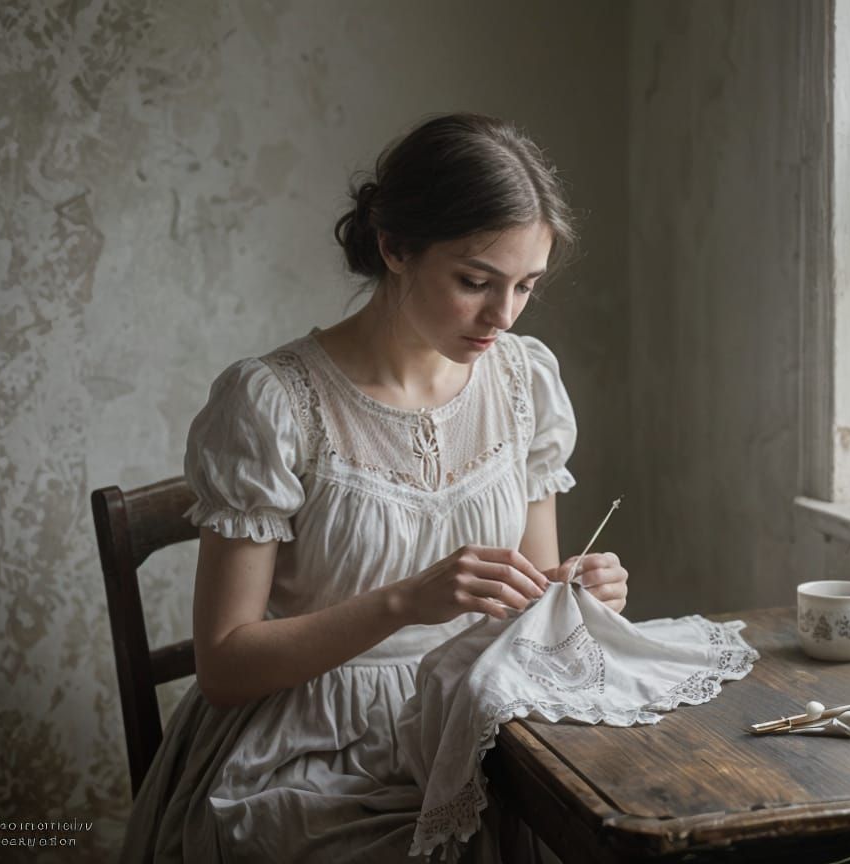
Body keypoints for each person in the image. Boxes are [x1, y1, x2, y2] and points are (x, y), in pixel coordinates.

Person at [121, 112, 629, 863]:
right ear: (394, 248)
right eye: (474, 282)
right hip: (305, 754)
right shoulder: (275, 404)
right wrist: (403, 603)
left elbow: (528, 603)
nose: (503, 315)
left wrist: (572, 591)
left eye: (526, 286)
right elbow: (225, 665)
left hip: (473, 728)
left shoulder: (524, 384)